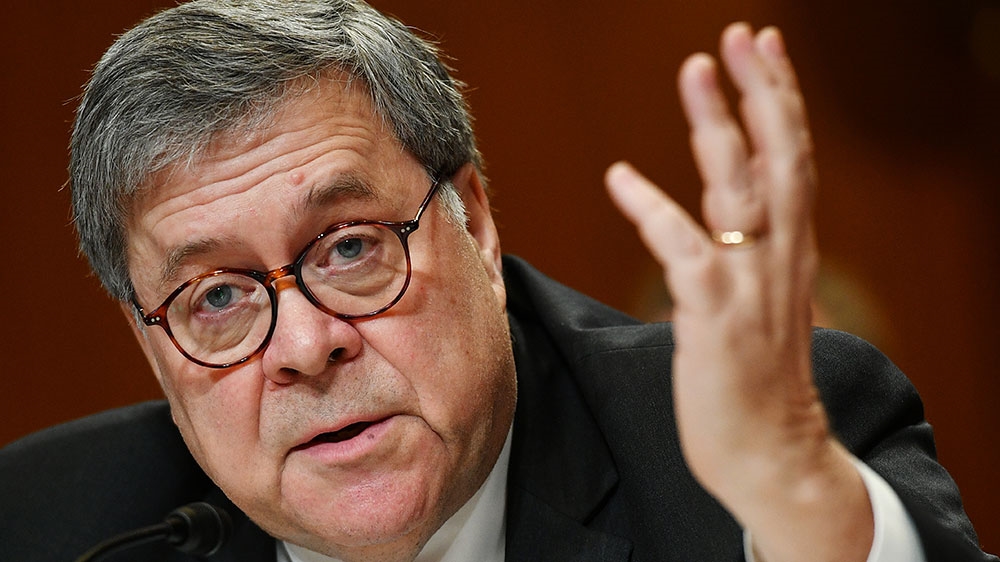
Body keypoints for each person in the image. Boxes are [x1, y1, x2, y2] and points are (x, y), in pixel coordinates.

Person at [0, 1, 993, 561]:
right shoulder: (51, 526)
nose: (305, 346)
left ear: (472, 223)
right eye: (216, 298)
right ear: (150, 345)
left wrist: (797, 496)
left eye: (348, 247)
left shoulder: (740, 465)